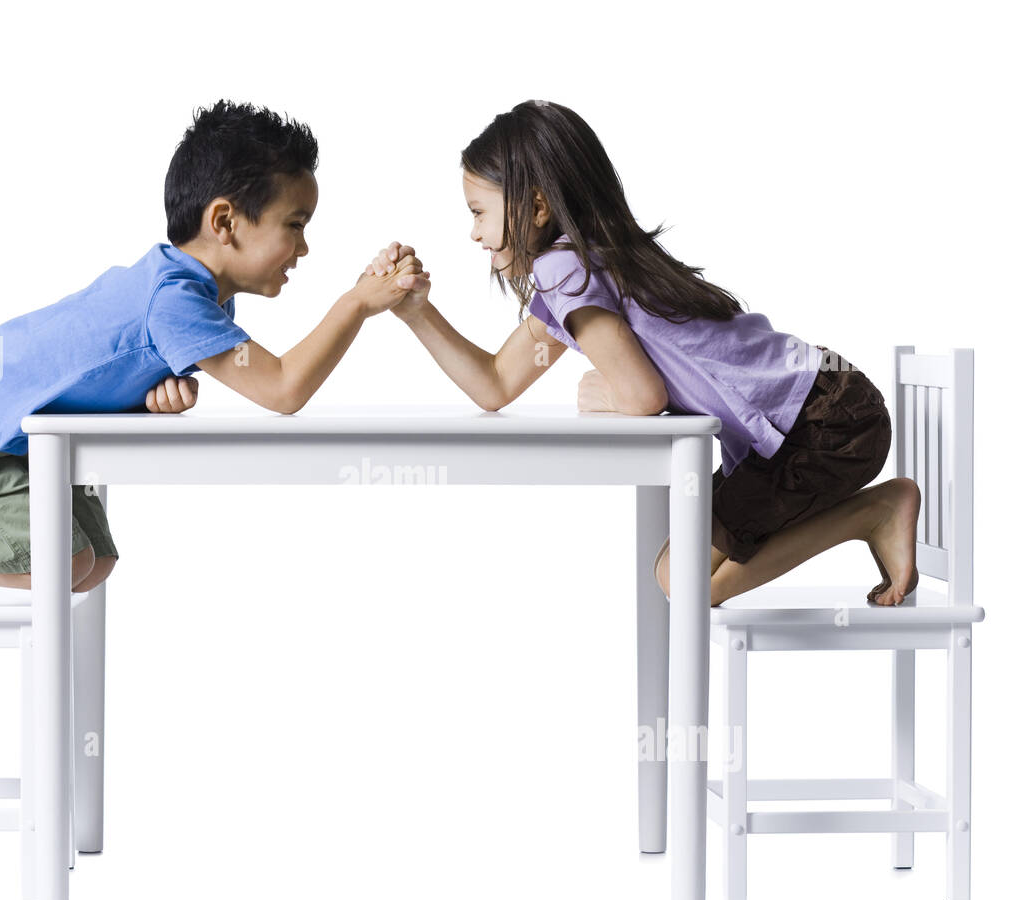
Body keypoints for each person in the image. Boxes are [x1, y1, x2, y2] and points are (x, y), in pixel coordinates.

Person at [0, 99, 427, 595]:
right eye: (295, 225)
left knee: (93, 566)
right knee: (56, 565)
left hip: (20, 431)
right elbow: (283, 389)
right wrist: (356, 304)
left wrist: (145, 399)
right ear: (225, 223)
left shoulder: (196, 294)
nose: (304, 248)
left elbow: (109, 363)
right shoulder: (177, 300)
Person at [365, 99, 919, 607]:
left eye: (478, 212)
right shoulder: (584, 265)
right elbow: (495, 385)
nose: (475, 234)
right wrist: (417, 313)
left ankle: (875, 511)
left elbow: (640, 395)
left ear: (535, 208)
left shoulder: (564, 270)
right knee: (677, 576)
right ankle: (874, 513)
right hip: (827, 404)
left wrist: (611, 393)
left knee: (682, 581)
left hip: (819, 424)